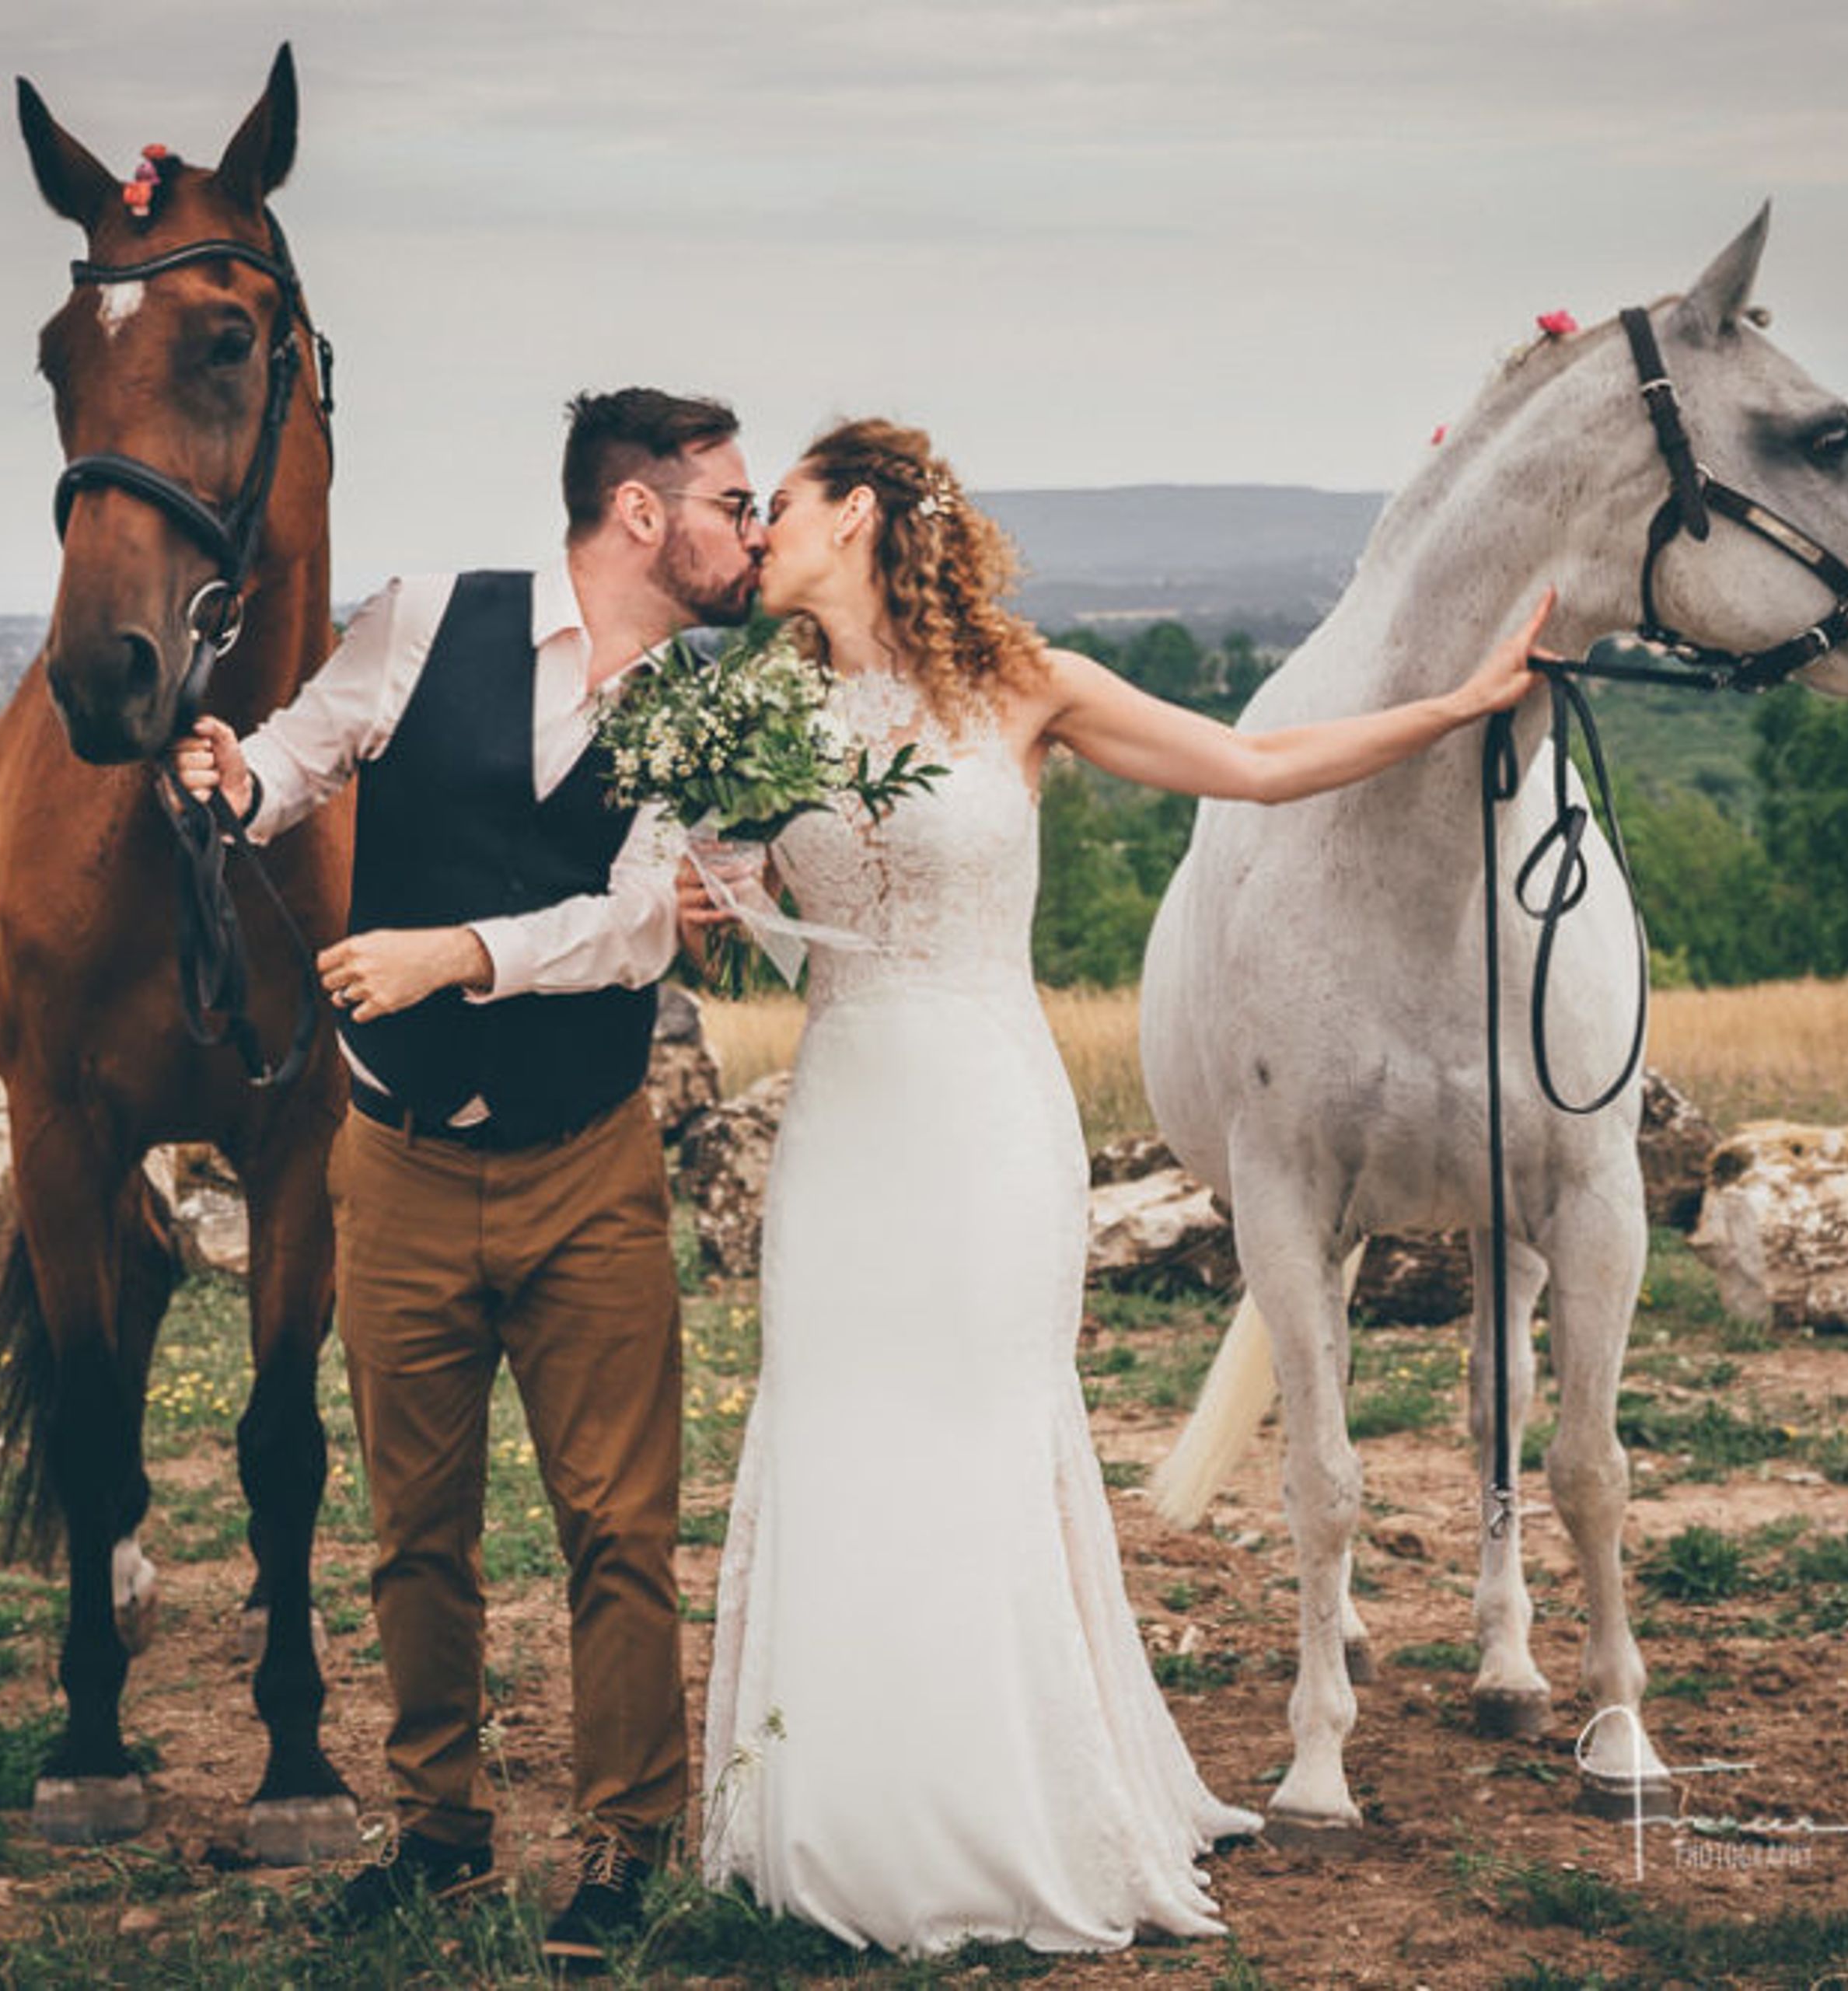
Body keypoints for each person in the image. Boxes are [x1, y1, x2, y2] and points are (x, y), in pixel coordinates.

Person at [687, 418, 1549, 1954]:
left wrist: (1462, 707)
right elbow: (726, 913)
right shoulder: (755, 710)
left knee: (979, 1423)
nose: (755, 533)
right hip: (842, 1119)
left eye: (785, 506)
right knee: (829, 1416)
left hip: (987, 1115)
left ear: (862, 516)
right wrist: (709, 890)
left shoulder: (1023, 683)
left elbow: (1261, 765)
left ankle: (1003, 1799)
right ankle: (829, 1800)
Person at [170, 387, 766, 1967]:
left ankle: (627, 1843)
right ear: (642, 514)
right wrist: (232, 778)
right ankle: (437, 1830)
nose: (752, 532)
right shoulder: (427, 618)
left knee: (621, 1530)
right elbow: (298, 759)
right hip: (402, 1166)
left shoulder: (713, 705)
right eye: (732, 501)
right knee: (413, 1530)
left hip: (591, 1170)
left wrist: (455, 955)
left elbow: (646, 922)